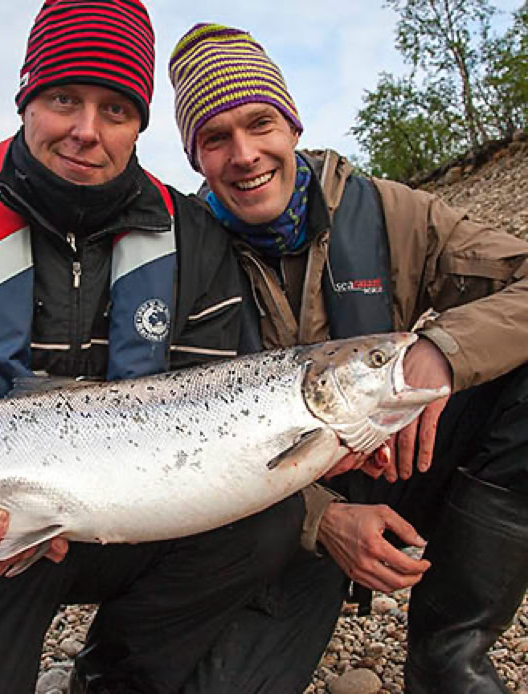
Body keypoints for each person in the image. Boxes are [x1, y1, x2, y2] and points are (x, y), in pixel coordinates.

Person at [0, 4, 325, 692]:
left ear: (140, 123)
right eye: (63, 98)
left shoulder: (196, 241)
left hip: (136, 518)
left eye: (115, 109)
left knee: (265, 519)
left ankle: (114, 677)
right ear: (26, 100)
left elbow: (212, 410)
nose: (85, 130)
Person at [161, 23, 528, 693]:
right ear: (196, 158)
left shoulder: (393, 212)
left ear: (292, 124)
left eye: (259, 123)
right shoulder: (173, 261)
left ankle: (450, 655)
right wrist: (321, 520)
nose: (244, 154)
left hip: (395, 459)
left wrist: (441, 353)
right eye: (216, 138)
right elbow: (171, 449)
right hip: (268, 515)